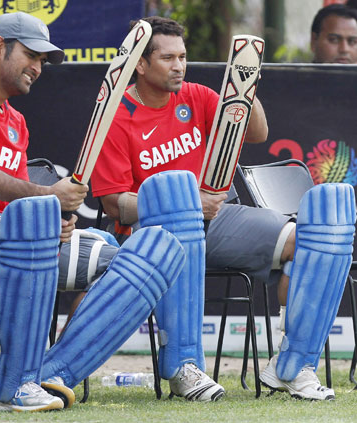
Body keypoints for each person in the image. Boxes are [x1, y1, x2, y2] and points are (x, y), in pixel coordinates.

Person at [0, 12, 190, 412]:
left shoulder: (16, 121)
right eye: (31, 56)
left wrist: (56, 222)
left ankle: (51, 370)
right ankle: (15, 386)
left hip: (0, 230)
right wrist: (49, 199)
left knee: (154, 251)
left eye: (43, 61)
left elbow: (16, 205)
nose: (37, 68)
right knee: (32, 232)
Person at [91, 15, 356, 401]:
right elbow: (115, 205)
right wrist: (184, 204)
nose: (179, 66)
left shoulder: (196, 95)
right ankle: (184, 367)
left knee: (314, 242)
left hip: (221, 218)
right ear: (141, 64)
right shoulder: (117, 115)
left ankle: (291, 365)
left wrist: (245, 89)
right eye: (168, 58)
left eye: (183, 57)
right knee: (178, 223)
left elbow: (257, 133)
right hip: (156, 233)